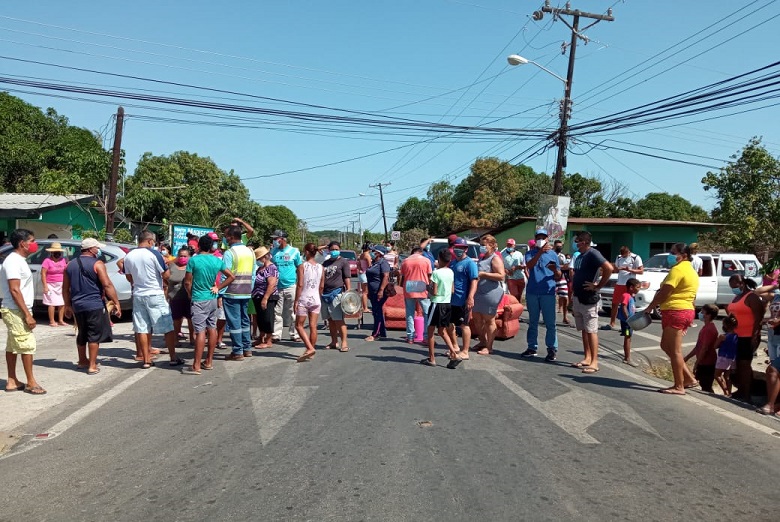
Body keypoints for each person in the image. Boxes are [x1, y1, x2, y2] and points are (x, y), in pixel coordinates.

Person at [123, 230, 184, 369]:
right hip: (155, 293)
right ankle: (173, 357)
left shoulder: (129, 255)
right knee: (167, 326)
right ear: (150, 241)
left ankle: (146, 360)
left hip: (138, 294)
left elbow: (128, 277)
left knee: (142, 328)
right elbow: (167, 275)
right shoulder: (154, 254)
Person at [644, 242, 700, 394]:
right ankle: (688, 378)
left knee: (675, 351)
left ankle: (679, 386)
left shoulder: (678, 270)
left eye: (673, 253)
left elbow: (665, 292)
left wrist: (650, 307)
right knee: (665, 345)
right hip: (680, 311)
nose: (670, 255)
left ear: (684, 256)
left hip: (677, 311)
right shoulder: (691, 270)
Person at [62, 238, 121, 375]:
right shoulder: (98, 264)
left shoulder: (70, 265)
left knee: (82, 333)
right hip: (94, 304)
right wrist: (116, 302)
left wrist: (67, 305)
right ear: (90, 249)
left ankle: (82, 361)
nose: (98, 250)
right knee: (94, 335)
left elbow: (65, 288)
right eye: (97, 248)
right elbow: (107, 285)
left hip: (77, 305)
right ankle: (92, 365)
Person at [0, 229, 45, 394]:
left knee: (12, 346)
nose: (34, 244)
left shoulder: (19, 260)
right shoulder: (13, 261)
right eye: (32, 240)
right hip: (15, 309)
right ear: (22, 243)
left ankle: (12, 381)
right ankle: (31, 382)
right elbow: (14, 290)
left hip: (16, 308)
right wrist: (27, 314)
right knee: (27, 345)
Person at [182, 235, 234, 375]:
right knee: (212, 328)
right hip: (212, 298)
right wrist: (218, 287)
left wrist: (189, 293)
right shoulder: (216, 260)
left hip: (199, 298)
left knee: (199, 331)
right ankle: (209, 361)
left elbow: (187, 282)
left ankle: (196, 365)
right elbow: (231, 276)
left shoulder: (194, 260)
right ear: (211, 246)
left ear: (199, 246)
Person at [569, 231, 613, 371]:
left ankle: (595, 362)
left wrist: (598, 286)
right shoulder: (580, 256)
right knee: (584, 330)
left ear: (585, 242)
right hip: (578, 297)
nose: (576, 243)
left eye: (578, 240)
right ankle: (587, 357)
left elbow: (608, 268)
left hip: (589, 299)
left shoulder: (593, 253)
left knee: (591, 330)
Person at [521, 228, 560, 361]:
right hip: (532, 291)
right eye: (538, 237)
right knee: (533, 322)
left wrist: (555, 270)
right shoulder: (530, 253)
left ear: (548, 239)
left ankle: (552, 348)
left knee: (550, 323)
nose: (541, 240)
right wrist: (539, 253)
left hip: (547, 292)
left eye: (543, 237)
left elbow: (558, 275)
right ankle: (532, 347)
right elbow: (529, 265)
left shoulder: (553, 255)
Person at [725, 274, 763, 402]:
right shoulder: (737, 297)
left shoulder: (752, 297)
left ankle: (747, 394)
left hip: (748, 336)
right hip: (736, 335)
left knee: (745, 364)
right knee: (739, 365)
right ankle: (741, 389)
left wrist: (755, 335)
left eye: (734, 286)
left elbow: (758, 317)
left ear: (742, 283)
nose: (733, 289)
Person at [221, 224, 256, 361]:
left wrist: (220, 291)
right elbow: (253, 274)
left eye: (225, 236)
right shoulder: (250, 252)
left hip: (232, 292)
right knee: (245, 321)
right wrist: (249, 289)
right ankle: (247, 349)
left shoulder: (229, 253)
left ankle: (237, 351)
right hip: (246, 291)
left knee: (234, 323)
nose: (224, 239)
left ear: (230, 237)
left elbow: (226, 275)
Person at [421, 249, 457, 367]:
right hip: (447, 304)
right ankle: (454, 353)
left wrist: (427, 287)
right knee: (442, 330)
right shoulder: (451, 272)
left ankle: (432, 358)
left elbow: (434, 292)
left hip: (437, 304)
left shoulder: (436, 273)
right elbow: (452, 290)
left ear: (439, 259)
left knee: (430, 331)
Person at [472, 235, 505, 356]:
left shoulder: (495, 258)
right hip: (479, 293)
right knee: (476, 318)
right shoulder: (482, 258)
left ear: (491, 245)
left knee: (489, 320)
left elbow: (501, 276)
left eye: (483, 245)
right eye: (480, 244)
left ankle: (489, 346)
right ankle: (482, 341)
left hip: (490, 293)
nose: (481, 247)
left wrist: (484, 274)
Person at [447, 238, 479, 360]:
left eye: (461, 248)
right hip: (451, 299)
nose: (458, 250)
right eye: (456, 247)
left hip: (463, 300)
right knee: (449, 324)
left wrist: (470, 297)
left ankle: (465, 351)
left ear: (466, 249)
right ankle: (455, 346)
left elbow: (474, 281)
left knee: (464, 325)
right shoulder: (453, 262)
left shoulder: (470, 263)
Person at [271, 229, 303, 342]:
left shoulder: (294, 251)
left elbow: (299, 267)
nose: (274, 241)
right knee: (277, 311)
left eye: (276, 238)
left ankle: (294, 334)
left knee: (292, 310)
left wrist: (300, 282)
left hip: (291, 285)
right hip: (277, 286)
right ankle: (276, 334)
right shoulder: (273, 252)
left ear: (282, 239)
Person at [295, 243, 324, 362]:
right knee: (313, 326)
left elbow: (300, 284)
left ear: (307, 252)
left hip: (304, 298)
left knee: (299, 325)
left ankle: (309, 347)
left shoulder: (302, 266)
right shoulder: (321, 267)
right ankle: (311, 351)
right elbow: (322, 286)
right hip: (316, 298)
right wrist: (319, 296)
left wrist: (296, 300)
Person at [321, 240, 352, 352]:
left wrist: (348, 292)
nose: (334, 251)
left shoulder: (343, 262)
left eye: (336, 249)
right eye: (332, 249)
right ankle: (334, 342)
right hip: (325, 294)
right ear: (329, 250)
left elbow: (347, 278)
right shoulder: (326, 263)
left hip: (337, 293)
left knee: (339, 320)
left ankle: (344, 343)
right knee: (330, 321)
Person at [605, 246, 644, 330]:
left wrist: (630, 270)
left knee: (628, 305)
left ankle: (629, 323)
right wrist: (618, 268)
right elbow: (616, 269)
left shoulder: (635, 257)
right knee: (615, 303)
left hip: (629, 284)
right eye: (622, 255)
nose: (623, 256)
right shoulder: (619, 257)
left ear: (628, 252)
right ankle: (612, 323)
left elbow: (641, 271)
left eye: (624, 255)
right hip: (620, 283)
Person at [399, 246, 432, 344]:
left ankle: (410, 337)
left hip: (409, 287)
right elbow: (429, 275)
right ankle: (426, 337)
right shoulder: (426, 260)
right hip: (422, 286)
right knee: (426, 313)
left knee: (410, 313)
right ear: (420, 252)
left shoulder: (405, 261)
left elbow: (402, 276)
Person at [684, 304, 720, 393]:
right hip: (704, 362)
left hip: (707, 363)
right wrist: (687, 357)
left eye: (702, 312)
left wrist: (697, 363)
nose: (700, 314)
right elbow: (698, 346)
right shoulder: (706, 327)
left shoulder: (709, 329)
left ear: (708, 315)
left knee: (706, 386)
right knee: (703, 384)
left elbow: (704, 348)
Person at [757, 283, 780, 416]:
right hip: (773, 337)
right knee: (774, 371)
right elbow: (758, 292)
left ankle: (771, 404)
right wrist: (774, 285)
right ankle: (773, 403)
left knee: (773, 370)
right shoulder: (775, 296)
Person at [251, 246, 279, 349]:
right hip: (257, 296)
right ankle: (261, 337)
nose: (258, 261)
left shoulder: (271, 268)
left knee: (267, 318)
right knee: (260, 318)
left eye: (259, 258)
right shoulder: (261, 268)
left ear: (264, 257)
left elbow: (271, 284)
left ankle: (268, 340)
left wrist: (265, 298)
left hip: (268, 297)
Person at [168, 246, 194, 347]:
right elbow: (165, 279)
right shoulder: (171, 266)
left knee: (190, 319)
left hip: (189, 297)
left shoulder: (191, 266)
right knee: (176, 319)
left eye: (185, 256)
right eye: (180, 256)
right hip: (175, 298)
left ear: (189, 257)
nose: (182, 258)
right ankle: (175, 339)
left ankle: (192, 338)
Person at [365, 245, 390, 341]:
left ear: (379, 253)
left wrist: (381, 290)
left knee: (377, 312)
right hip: (373, 291)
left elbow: (386, 276)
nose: (371, 252)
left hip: (379, 291)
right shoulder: (374, 263)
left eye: (373, 251)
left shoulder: (383, 263)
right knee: (377, 311)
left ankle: (375, 334)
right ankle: (382, 332)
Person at [41, 242, 68, 326]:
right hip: (50, 284)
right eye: (55, 252)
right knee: (51, 302)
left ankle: (61, 320)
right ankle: (52, 321)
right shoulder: (47, 261)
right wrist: (45, 286)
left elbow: (65, 271)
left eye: (58, 252)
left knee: (62, 302)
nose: (57, 254)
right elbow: (43, 273)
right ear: (51, 253)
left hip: (61, 284)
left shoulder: (63, 260)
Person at [617, 278, 641, 366]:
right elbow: (623, 307)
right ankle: (627, 358)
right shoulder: (626, 295)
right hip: (627, 323)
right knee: (628, 337)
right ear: (631, 287)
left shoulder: (631, 296)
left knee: (628, 338)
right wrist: (628, 319)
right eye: (638, 287)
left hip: (629, 322)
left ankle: (627, 357)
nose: (639, 289)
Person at [713, 315, 739, 396]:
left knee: (717, 375)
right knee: (727, 376)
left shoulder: (723, 336)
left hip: (723, 357)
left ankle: (725, 391)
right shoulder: (737, 336)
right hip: (733, 358)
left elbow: (715, 346)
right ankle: (729, 392)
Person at [502, 238, 526, 304]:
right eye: (508, 245)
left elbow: (523, 265)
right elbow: (501, 265)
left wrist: (517, 267)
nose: (509, 246)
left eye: (511, 245)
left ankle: (518, 308)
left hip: (520, 277)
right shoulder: (502, 254)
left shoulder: (519, 254)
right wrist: (506, 271)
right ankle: (516, 307)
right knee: (514, 295)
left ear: (514, 246)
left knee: (519, 295)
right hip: (511, 278)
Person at [358, 242, 372, 313]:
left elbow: (358, 265)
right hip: (366, 274)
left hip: (362, 274)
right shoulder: (367, 255)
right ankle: (365, 308)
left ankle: (364, 307)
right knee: (365, 292)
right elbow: (370, 266)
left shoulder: (361, 255)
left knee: (364, 292)